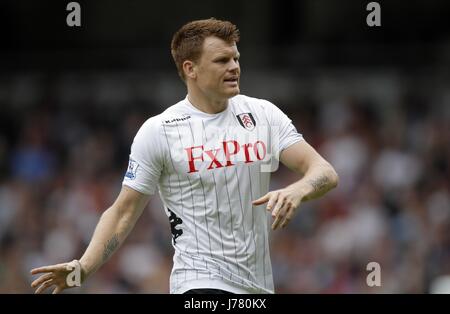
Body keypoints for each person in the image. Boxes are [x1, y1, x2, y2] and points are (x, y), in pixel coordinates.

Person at [30, 18, 338, 294]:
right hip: (198, 284)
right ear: (190, 69)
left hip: (258, 287)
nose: (234, 67)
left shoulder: (263, 115)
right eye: (221, 60)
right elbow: (124, 211)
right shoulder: (159, 131)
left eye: (236, 58)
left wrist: (300, 189)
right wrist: (84, 267)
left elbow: (323, 171)